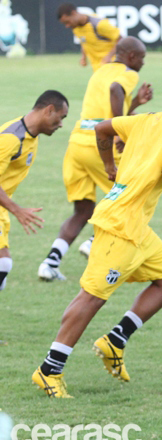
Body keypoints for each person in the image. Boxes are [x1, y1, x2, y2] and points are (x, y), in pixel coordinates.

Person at [32, 78, 162, 398]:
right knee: (91, 298)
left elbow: (102, 128)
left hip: (137, 227)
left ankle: (115, 341)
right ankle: (49, 371)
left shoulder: (148, 118)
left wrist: (109, 165)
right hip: (120, 225)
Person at [38, 37, 152, 282]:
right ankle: (93, 241)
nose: (143, 63)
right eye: (142, 58)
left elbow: (106, 105)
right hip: (99, 145)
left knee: (83, 210)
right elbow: (115, 91)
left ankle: (50, 263)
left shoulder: (101, 71)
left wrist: (136, 103)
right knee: (131, 197)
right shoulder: (128, 73)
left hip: (77, 143)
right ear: (131, 56)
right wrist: (119, 130)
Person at [0, 91, 69, 293]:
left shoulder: (31, 136)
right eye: (61, 117)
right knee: (3, 263)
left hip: (2, 207)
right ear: (49, 110)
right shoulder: (11, 139)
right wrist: (17, 210)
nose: (61, 124)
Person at [57, 3, 121, 71]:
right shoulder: (75, 28)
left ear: (73, 13)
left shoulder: (99, 24)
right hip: (97, 68)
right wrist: (83, 57)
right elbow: (84, 42)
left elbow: (120, 39)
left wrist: (109, 56)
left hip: (112, 66)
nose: (67, 26)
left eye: (67, 22)